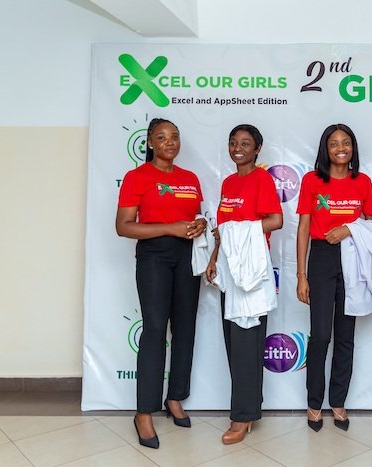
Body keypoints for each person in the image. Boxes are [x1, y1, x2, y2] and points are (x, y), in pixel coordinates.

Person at [116, 118, 208, 449]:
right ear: (151, 143)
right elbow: (124, 227)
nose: (170, 142)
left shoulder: (190, 178)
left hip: (187, 256)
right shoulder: (137, 177)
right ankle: (144, 412)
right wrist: (170, 228)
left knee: (185, 328)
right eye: (162, 137)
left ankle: (175, 397)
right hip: (154, 256)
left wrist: (199, 224)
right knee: (155, 330)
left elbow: (194, 216)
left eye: (175, 137)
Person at [296, 124, 372, 431]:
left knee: (346, 335)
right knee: (320, 335)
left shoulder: (363, 181)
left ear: (353, 148)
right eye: (334, 143)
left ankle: (338, 402)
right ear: (325, 149)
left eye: (346, 143)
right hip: (321, 257)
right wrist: (301, 275)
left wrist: (348, 229)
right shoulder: (312, 180)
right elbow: (303, 228)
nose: (340, 148)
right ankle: (314, 403)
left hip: (354, 258)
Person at [205, 124, 283, 444]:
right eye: (233, 143)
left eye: (246, 143)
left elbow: (275, 220)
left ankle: (242, 416)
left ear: (257, 149)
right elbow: (224, 229)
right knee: (234, 344)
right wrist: (213, 258)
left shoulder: (262, 179)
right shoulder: (228, 182)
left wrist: (237, 229)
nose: (238, 148)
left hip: (251, 273)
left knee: (247, 347)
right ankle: (249, 407)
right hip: (230, 271)